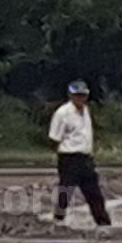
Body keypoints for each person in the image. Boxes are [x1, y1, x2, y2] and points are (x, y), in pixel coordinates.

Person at [49, 80, 111, 227]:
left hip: (85, 157)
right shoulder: (63, 113)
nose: (80, 99)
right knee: (66, 190)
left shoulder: (86, 111)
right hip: (70, 157)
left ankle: (103, 222)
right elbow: (54, 137)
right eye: (77, 95)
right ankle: (58, 219)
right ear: (71, 95)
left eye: (83, 95)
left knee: (94, 192)